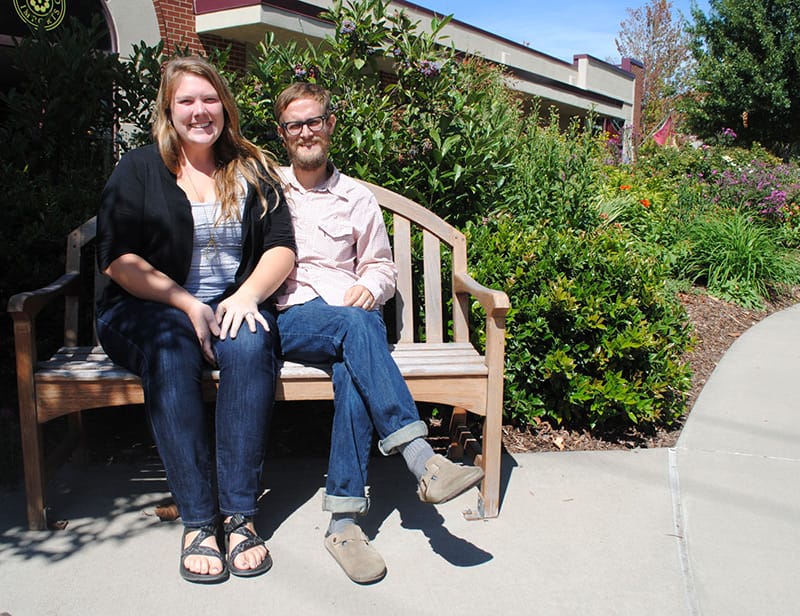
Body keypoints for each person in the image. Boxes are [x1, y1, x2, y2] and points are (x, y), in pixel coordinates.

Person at [273, 82, 484, 584]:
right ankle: (421, 459)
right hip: (293, 318)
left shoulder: (356, 198)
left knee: (353, 363)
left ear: (331, 125)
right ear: (283, 135)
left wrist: (371, 286)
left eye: (314, 121)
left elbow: (382, 268)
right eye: (295, 124)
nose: (306, 132)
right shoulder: (268, 187)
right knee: (355, 326)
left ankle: (343, 523)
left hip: (350, 324)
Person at [95, 56, 296, 584]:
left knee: (252, 345)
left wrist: (248, 296)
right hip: (147, 310)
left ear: (224, 107)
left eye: (209, 99)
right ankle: (199, 521)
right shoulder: (139, 168)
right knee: (171, 351)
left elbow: (281, 247)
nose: (199, 111)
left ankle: (239, 514)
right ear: (169, 109)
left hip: (232, 301)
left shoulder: (251, 168)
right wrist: (188, 305)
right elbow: (118, 258)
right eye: (186, 100)